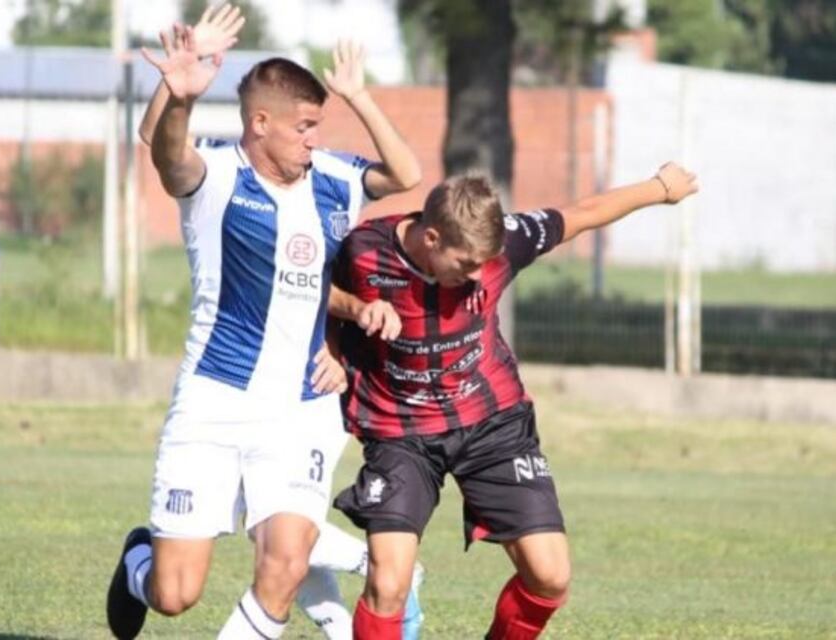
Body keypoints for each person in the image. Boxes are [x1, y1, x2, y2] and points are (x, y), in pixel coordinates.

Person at [105, 4, 422, 639]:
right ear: (260, 123)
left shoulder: (332, 176)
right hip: (214, 400)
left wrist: (358, 98)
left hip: (302, 406)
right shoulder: (218, 174)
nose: (313, 138)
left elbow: (407, 174)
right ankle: (140, 561)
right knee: (174, 594)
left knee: (283, 564)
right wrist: (182, 94)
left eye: (317, 125)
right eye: (303, 126)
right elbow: (167, 155)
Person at [331, 163, 699, 639]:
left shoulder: (502, 244)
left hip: (492, 422)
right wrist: (338, 338)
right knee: (388, 581)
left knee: (550, 577)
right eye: (466, 265)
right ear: (432, 238)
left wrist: (658, 189)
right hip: (400, 432)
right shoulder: (363, 249)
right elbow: (312, 291)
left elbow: (581, 213)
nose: (476, 276)